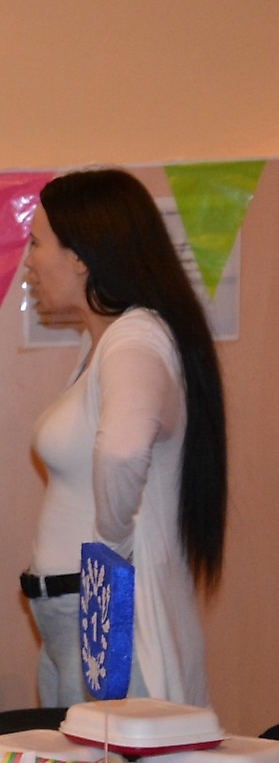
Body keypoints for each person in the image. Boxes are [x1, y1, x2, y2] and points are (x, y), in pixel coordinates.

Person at [21, 168, 226, 707]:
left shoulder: (134, 338)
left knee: (108, 761)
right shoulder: (108, 342)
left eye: (37, 243)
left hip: (104, 610)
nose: (28, 262)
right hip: (80, 612)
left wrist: (106, 555)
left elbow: (123, 447)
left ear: (81, 256)